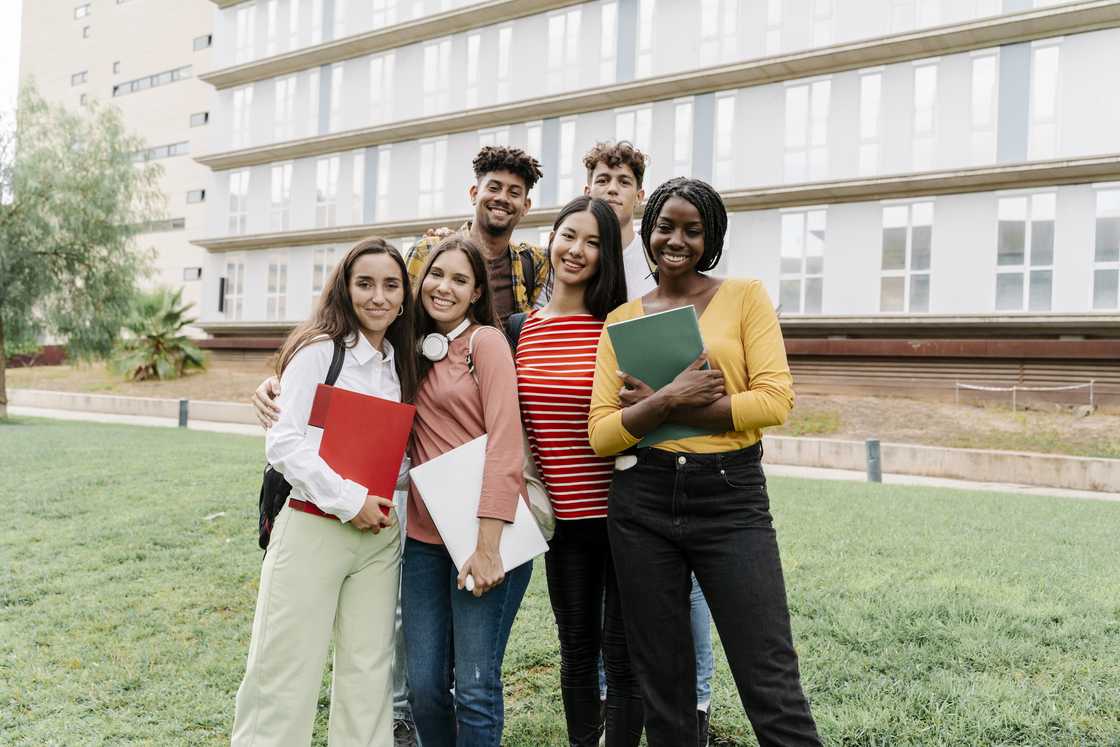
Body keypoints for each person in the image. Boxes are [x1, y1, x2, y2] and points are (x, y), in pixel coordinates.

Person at [588, 178, 822, 746]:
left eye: (693, 230)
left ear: (710, 238)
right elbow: (601, 435)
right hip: (642, 499)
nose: (677, 240)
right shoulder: (621, 320)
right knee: (663, 683)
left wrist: (662, 406)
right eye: (666, 226)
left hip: (730, 496)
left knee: (769, 674)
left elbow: (774, 399)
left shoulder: (745, 296)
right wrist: (670, 399)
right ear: (648, 231)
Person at [232, 238, 418, 746]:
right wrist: (349, 500)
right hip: (312, 524)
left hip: (379, 537)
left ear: (404, 296)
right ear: (344, 288)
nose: (377, 297)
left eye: (390, 285)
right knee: (282, 670)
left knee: (368, 677)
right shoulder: (320, 351)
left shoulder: (401, 364)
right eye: (365, 284)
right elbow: (284, 442)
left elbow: (397, 458)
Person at [581, 141, 718, 743]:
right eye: (600, 178)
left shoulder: (660, 255)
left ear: (641, 194)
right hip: (607, 438)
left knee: (685, 588)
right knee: (627, 593)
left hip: (672, 444)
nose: (610, 187)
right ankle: (619, 703)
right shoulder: (572, 247)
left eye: (622, 180)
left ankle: (698, 706)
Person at [513, 196, 642, 747]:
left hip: (626, 516)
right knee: (576, 650)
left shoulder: (618, 327)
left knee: (625, 652)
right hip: (561, 521)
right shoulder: (518, 329)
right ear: (552, 237)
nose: (577, 250)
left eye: (593, 242)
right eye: (570, 235)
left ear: (607, 254)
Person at [404, 235, 532, 746]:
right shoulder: (405, 345)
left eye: (460, 279)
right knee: (425, 688)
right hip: (422, 542)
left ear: (477, 292)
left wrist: (486, 546)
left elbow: (507, 445)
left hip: (484, 539)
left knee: (475, 686)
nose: (444, 287)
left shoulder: (486, 343)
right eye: (436, 274)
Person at [405, 145, 550, 326]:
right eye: (494, 188)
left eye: (514, 193)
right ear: (474, 194)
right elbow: (402, 321)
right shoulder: (426, 251)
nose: (502, 198)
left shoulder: (535, 262)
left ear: (526, 206)